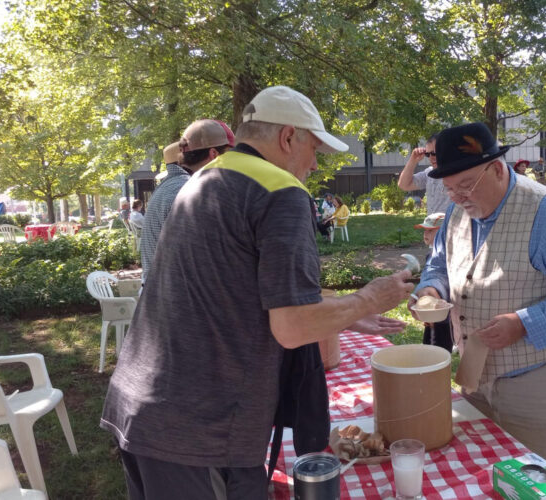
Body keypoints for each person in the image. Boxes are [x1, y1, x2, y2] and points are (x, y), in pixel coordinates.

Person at [100, 86, 414, 499]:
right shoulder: (281, 192)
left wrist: (347, 313)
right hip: (201, 429)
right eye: (314, 149)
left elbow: (235, 288)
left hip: (145, 405)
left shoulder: (204, 180)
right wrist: (368, 299)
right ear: (288, 138)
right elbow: (293, 327)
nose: (316, 164)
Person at [411, 122, 546, 477]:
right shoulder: (458, 210)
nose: (458, 197)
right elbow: (439, 264)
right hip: (475, 376)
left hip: (541, 382)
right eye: (450, 188)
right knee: (485, 480)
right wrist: (431, 290)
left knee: (543, 484)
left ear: (498, 169)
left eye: (466, 185)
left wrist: (523, 324)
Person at [139, 120, 235, 283]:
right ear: (214, 155)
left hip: (158, 290)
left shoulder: (166, 188)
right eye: (230, 154)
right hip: (172, 292)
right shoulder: (188, 190)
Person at [413, 212, 454, 352]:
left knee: (437, 351)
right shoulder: (431, 255)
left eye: (431, 231)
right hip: (430, 314)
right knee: (429, 347)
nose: (426, 234)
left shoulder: (448, 257)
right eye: (425, 230)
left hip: (442, 316)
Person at [397, 133, 452, 214]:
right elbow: (403, 185)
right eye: (427, 154)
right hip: (431, 225)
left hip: (452, 225)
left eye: (434, 153)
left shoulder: (457, 173)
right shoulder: (429, 173)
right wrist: (413, 160)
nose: (431, 157)